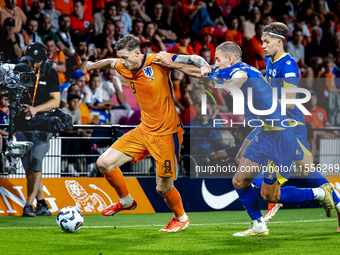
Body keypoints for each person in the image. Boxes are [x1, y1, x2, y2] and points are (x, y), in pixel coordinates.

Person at [155, 41, 335, 236]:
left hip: (280, 138)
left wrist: (229, 83)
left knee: (270, 195)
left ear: (230, 59)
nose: (215, 62)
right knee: (239, 181)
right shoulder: (226, 69)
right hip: (263, 133)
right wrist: (172, 62)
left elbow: (237, 79)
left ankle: (320, 193)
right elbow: (198, 69)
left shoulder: (241, 71)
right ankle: (258, 225)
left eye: (218, 59)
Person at [85, 35, 209, 232]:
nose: (122, 62)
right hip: (144, 130)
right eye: (121, 58)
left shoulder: (157, 60)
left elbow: (193, 58)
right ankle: (126, 200)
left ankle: (181, 217)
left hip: (168, 134)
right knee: (104, 163)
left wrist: (204, 65)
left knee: (163, 188)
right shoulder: (123, 65)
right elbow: (109, 62)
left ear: (137, 53)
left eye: (125, 57)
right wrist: (92, 66)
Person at [237, 22, 340, 231]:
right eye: (261, 41)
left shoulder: (289, 65)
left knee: (308, 171)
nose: (262, 45)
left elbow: (291, 101)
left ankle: (333, 201)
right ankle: (276, 193)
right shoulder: (269, 59)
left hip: (290, 126)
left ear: (279, 42)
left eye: (266, 42)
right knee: (241, 158)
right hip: (271, 122)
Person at [15, 42, 60, 217]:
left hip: (42, 125)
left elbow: (56, 101)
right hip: (22, 124)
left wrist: (36, 109)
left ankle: (28, 205)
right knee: (29, 168)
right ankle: (42, 204)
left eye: (36, 61)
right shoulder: (19, 70)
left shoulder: (50, 72)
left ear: (44, 60)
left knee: (36, 162)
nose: (32, 64)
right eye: (30, 60)